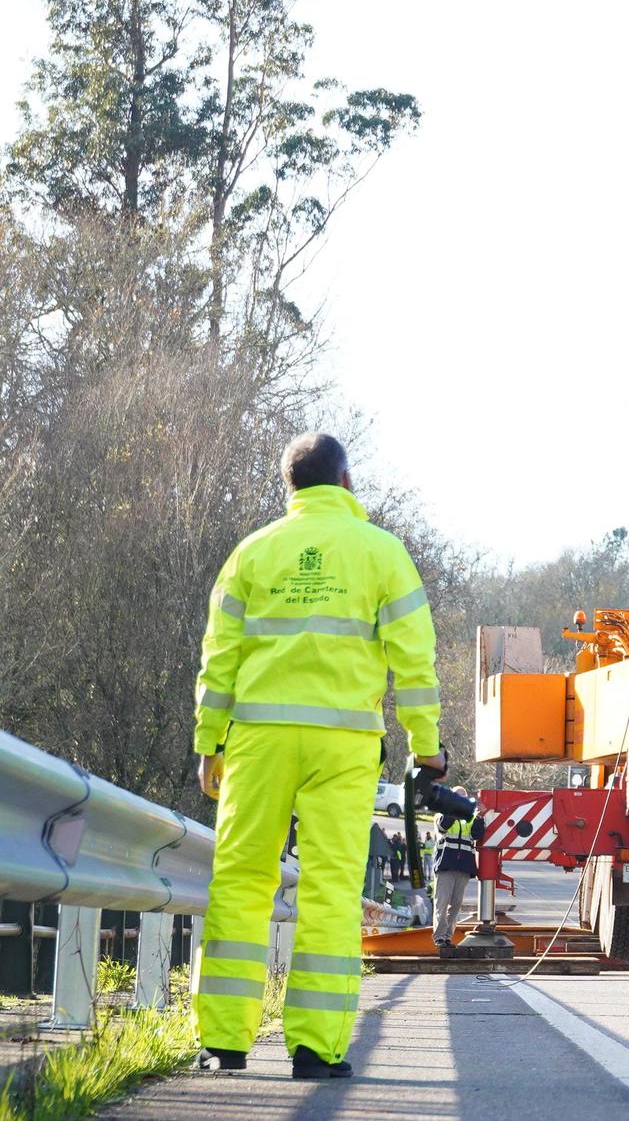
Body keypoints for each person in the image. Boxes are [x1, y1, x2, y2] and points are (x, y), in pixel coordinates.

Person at [191, 433, 443, 1080]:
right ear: (347, 479)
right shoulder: (382, 553)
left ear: (290, 487)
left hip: (258, 739)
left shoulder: (252, 552)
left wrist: (208, 742)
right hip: (343, 743)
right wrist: (425, 745)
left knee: (241, 881)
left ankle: (224, 1043)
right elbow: (413, 662)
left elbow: (220, 659)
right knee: (331, 889)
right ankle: (315, 1047)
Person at [432, 790, 479, 953]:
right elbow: (443, 825)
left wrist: (480, 817)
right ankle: (440, 936)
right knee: (442, 903)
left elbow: (477, 833)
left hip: (463, 867)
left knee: (456, 904)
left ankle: (447, 937)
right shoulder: (441, 814)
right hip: (446, 865)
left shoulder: (469, 817)